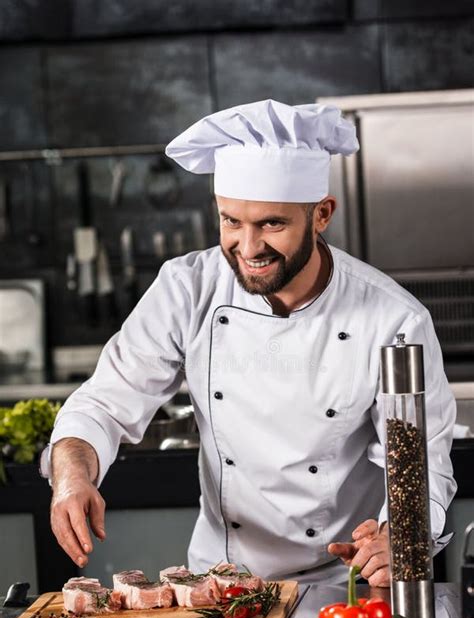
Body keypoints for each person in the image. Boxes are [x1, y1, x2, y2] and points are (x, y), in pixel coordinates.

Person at [43, 100, 456, 587]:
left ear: (321, 214)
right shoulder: (187, 288)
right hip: (220, 586)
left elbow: (419, 463)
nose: (249, 247)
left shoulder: (393, 318)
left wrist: (401, 536)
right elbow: (105, 404)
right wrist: (72, 475)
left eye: (272, 224)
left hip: (346, 583)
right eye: (231, 222)